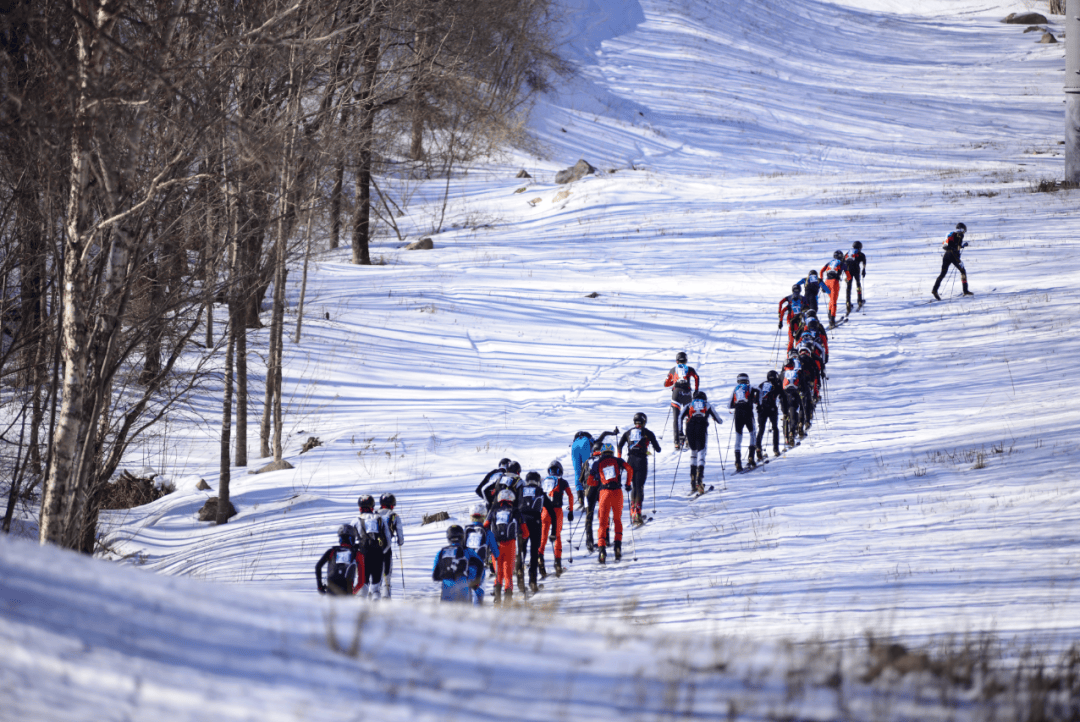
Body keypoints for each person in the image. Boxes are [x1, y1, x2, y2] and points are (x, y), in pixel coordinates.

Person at [586, 442, 633, 564]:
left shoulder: (598, 463)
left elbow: (590, 481)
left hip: (604, 493)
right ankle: (617, 547)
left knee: (602, 522)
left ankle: (602, 550)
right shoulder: (618, 460)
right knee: (617, 520)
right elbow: (629, 469)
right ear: (612, 451)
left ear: (602, 452)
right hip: (617, 492)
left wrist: (597, 482)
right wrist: (628, 484)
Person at [485, 489, 527, 604]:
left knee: (498, 572)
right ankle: (508, 597)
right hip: (510, 544)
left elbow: (485, 526)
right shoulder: (515, 511)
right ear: (511, 499)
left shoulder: (493, 511)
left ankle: (497, 597)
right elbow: (525, 531)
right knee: (508, 572)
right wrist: (523, 536)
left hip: (495, 544)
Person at [618, 413, 661, 525]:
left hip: (630, 461)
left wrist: (619, 458)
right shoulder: (648, 433)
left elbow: (619, 445)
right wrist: (651, 448)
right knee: (639, 486)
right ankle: (638, 512)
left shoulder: (628, 432)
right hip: (641, 461)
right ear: (644, 422)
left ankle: (633, 512)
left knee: (633, 486)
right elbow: (658, 449)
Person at [580, 429, 619, 552]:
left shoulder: (587, 461)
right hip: (602, 488)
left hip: (589, 490)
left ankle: (589, 541)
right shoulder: (604, 460)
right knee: (604, 513)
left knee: (589, 515)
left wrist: (583, 491)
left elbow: (581, 479)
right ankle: (605, 538)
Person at [518, 470, 556, 593]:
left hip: (521, 522)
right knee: (534, 552)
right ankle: (533, 581)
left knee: (521, 551)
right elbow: (552, 513)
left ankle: (520, 580)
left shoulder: (520, 491)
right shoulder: (540, 492)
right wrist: (554, 531)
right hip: (535, 522)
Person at [679, 390, 723, 494]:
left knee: (693, 453)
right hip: (701, 429)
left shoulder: (689, 405)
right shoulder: (707, 404)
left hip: (690, 429)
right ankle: (699, 481)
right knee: (701, 453)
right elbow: (719, 420)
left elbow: (679, 417)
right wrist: (716, 419)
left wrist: (680, 432)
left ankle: (693, 482)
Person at [350, 495, 391, 600]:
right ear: (372, 507)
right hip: (378, 554)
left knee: (363, 584)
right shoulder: (380, 519)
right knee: (375, 588)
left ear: (360, 508)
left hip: (362, 555)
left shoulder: (355, 521)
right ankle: (376, 611)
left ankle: (361, 611)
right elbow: (388, 541)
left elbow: (349, 541)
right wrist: (382, 552)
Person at [431, 525, 483, 604]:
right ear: (462, 537)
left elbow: (435, 573)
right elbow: (480, 565)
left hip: (446, 590)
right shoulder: (468, 551)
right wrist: (475, 583)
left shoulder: (441, 552)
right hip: (463, 589)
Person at [541, 460, 574, 576]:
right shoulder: (562, 482)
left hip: (544, 511)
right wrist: (570, 510)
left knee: (543, 537)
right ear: (560, 471)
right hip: (557, 511)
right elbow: (570, 496)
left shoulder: (544, 481)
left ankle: (540, 561)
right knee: (557, 536)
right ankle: (558, 564)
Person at [464, 503, 499, 605]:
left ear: (471, 516)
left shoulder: (465, 531)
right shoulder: (487, 532)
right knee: (478, 594)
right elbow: (496, 553)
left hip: (464, 567)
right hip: (479, 568)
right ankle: (476, 617)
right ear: (484, 516)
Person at [664, 351, 699, 449]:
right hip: (687, 393)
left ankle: (677, 441)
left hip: (676, 394)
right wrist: (696, 390)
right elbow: (697, 377)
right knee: (688, 416)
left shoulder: (673, 369)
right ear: (686, 360)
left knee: (676, 418)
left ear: (676, 361)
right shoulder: (690, 369)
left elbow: (665, 384)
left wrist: (673, 382)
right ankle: (688, 439)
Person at [315, 525, 364, 596]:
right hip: (347, 591)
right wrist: (354, 592)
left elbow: (318, 566)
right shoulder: (358, 554)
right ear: (352, 539)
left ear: (340, 539)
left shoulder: (331, 552)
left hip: (331, 590)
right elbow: (361, 582)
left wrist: (320, 586)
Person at [932, 223, 974, 300]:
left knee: (942, 274)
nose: (964, 231)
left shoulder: (953, 234)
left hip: (946, 255)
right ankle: (965, 290)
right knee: (963, 271)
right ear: (962, 229)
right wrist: (959, 261)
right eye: (964, 229)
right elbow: (955, 249)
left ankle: (934, 290)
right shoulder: (960, 235)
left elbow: (954, 246)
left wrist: (962, 246)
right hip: (953, 255)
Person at [728, 373, 758, 472]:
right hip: (748, 413)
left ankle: (737, 462)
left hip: (738, 414)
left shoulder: (735, 389)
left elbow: (729, 405)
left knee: (738, 437)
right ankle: (751, 457)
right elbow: (758, 392)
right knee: (752, 434)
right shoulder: (749, 388)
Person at [377, 493, 404, 599]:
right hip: (387, 548)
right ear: (392, 504)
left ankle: (374, 596)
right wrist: (400, 541)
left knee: (376, 573)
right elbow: (400, 534)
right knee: (386, 573)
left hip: (373, 549)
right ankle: (386, 597)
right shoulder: (394, 516)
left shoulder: (374, 514)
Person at [755, 370, 782, 460]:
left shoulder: (761, 384)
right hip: (772, 408)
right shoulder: (776, 385)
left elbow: (756, 397)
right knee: (775, 428)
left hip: (761, 409)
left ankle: (758, 447)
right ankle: (776, 449)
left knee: (761, 428)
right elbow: (782, 395)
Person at [781, 353, 804, 444]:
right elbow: (803, 385)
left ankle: (786, 434)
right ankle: (792, 432)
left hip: (784, 396)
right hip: (794, 395)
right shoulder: (797, 373)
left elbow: (779, 386)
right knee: (795, 412)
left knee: (786, 414)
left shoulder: (782, 374)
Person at [820, 251, 845, 327]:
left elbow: (821, 271)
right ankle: (832, 319)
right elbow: (848, 275)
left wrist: (821, 281)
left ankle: (830, 315)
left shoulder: (829, 263)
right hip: (834, 282)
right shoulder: (842, 264)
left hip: (827, 282)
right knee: (834, 301)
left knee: (831, 299)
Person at [570, 432, 593, 511]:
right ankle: (586, 498)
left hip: (574, 447)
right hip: (585, 445)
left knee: (577, 472)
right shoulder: (588, 438)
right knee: (586, 471)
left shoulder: (576, 439)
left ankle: (580, 498)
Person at [778, 285, 804, 353]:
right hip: (793, 320)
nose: (796, 293)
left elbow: (781, 305)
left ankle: (791, 346)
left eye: (797, 291)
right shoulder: (802, 299)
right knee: (796, 337)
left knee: (793, 337)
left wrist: (780, 318)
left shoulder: (792, 299)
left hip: (794, 320)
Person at [844, 241, 867, 313]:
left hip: (848, 271)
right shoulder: (861, 254)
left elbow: (843, 262)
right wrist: (863, 270)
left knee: (848, 287)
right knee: (858, 284)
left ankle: (848, 302)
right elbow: (864, 262)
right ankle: (859, 300)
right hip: (856, 270)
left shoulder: (848, 253)